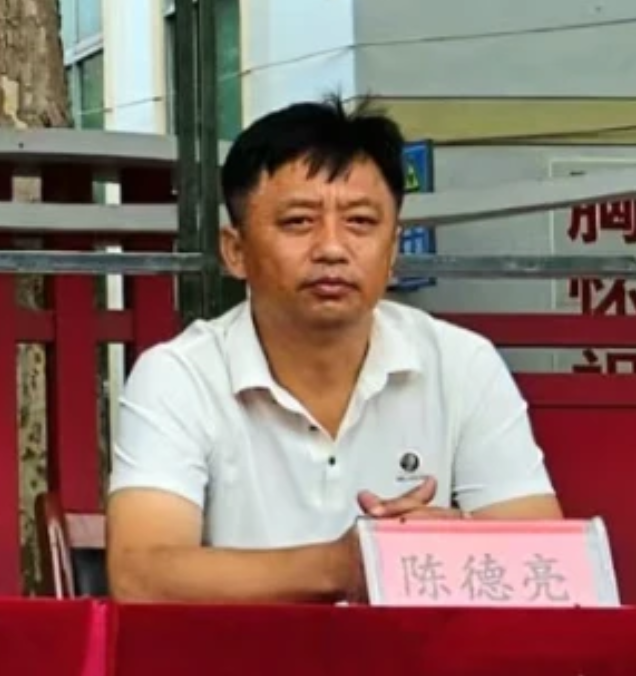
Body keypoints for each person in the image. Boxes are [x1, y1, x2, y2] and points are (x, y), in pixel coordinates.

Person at [106, 95, 563, 604]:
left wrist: (452, 544)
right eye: (298, 222)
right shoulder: (179, 375)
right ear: (236, 251)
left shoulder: (462, 364)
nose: (332, 248)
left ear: (393, 250)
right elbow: (141, 577)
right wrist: (347, 565)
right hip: (240, 656)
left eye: (361, 222)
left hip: (415, 655)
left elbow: (546, 563)